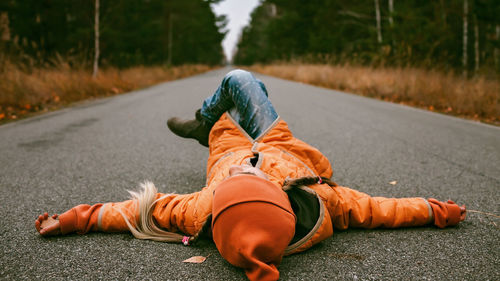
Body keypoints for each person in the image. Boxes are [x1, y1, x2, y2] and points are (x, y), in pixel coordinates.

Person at [36, 69, 466, 281]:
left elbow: (133, 210)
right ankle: (206, 121)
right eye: (253, 180)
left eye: (233, 183)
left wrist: (73, 218)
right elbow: (380, 209)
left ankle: (207, 124)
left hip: (225, 141)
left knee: (229, 97)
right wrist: (434, 209)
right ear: (283, 201)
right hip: (276, 139)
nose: (247, 170)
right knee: (240, 78)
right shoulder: (322, 203)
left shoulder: (201, 210)